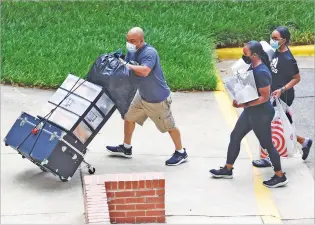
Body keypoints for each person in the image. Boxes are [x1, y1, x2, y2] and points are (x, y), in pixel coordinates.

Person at [210, 41, 288, 188]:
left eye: (245, 53)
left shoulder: (262, 72)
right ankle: (228, 168)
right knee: (235, 136)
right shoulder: (252, 66)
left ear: (254, 55)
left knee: (267, 145)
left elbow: (264, 97)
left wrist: (243, 104)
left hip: (261, 114)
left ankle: (280, 175)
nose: (243, 56)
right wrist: (239, 97)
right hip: (251, 112)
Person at [105, 27, 188, 166]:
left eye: (132, 41)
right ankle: (126, 148)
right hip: (142, 96)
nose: (129, 43)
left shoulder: (149, 53)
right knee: (128, 117)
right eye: (127, 40)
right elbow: (130, 69)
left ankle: (181, 152)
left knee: (169, 126)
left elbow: (144, 71)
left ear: (141, 40)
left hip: (157, 100)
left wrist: (126, 65)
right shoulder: (132, 52)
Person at [252, 26, 313, 168]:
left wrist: (282, 89)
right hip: (272, 94)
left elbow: (297, 78)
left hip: (282, 97)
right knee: (281, 126)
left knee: (269, 126)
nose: (272, 41)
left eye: (275, 39)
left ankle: (268, 157)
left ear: (283, 40)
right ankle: (304, 142)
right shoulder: (275, 51)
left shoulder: (288, 59)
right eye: (271, 37)